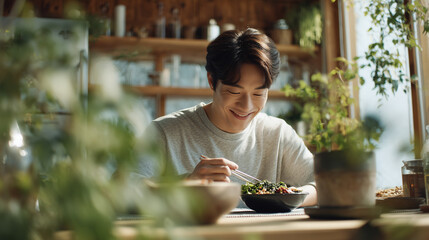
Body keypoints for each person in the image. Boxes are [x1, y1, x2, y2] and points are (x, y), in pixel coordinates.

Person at [138, 28, 317, 206]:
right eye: (234, 91)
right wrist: (186, 183)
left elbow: (323, 184)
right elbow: (124, 191)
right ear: (211, 81)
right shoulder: (164, 133)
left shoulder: (278, 134)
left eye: (258, 94)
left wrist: (287, 197)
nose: (246, 106)